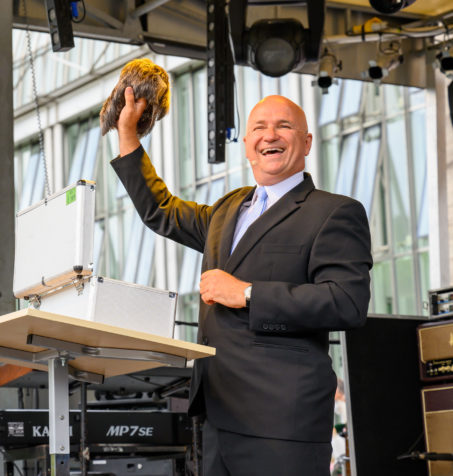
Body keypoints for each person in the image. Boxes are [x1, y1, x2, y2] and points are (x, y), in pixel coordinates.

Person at [110, 88, 372, 476]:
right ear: (247, 145)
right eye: (259, 128)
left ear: (306, 142)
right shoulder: (228, 208)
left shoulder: (334, 212)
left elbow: (346, 302)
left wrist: (247, 293)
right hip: (216, 416)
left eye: (284, 126)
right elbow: (161, 210)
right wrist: (128, 134)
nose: (270, 135)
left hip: (281, 423)